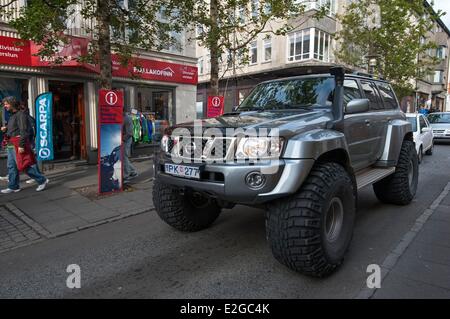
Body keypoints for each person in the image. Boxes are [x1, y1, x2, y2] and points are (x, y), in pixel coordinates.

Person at [0, 96, 49, 194]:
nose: (5, 106)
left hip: (18, 144)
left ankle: (42, 180)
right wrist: (6, 129)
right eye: (4, 104)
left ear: (12, 103)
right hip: (11, 144)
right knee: (11, 166)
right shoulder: (12, 115)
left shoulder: (21, 115)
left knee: (23, 166)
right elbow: (15, 130)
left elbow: (24, 131)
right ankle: (13, 186)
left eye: (6, 104)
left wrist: (21, 145)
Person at [123, 110, 138, 182]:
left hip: (126, 140)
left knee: (124, 156)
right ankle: (133, 172)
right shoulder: (121, 117)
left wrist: (122, 139)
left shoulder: (127, 118)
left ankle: (126, 175)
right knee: (124, 157)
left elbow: (130, 133)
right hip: (122, 139)